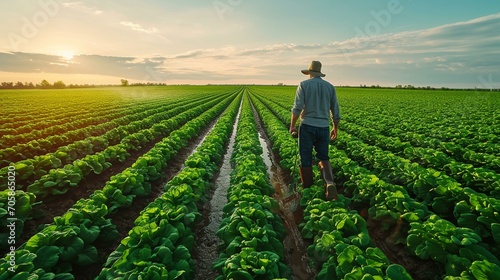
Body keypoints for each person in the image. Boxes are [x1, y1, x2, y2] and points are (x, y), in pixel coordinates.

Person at [289, 60, 341, 200]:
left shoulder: (304, 85)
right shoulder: (329, 87)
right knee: (323, 156)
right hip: (324, 127)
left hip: (307, 126)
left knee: (305, 158)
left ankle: (308, 190)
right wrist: (335, 129)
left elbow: (297, 107)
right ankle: (329, 183)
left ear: (309, 73)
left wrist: (292, 126)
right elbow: (335, 112)